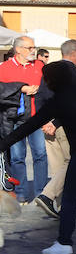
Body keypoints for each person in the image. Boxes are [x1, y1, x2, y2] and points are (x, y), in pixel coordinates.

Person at [0, 61, 76, 254]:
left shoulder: (59, 101)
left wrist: (3, 144)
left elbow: (30, 126)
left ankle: (64, 242)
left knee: (70, 198)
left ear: (52, 80)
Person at [33, 39, 76, 220]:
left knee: (59, 168)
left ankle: (62, 207)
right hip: (63, 125)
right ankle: (48, 196)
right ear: (74, 53)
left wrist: (45, 121)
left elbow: (40, 97)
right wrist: (55, 122)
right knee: (72, 162)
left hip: (48, 125)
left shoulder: (48, 71)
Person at [0, 35, 48, 208]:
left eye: (34, 47)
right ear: (18, 49)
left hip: (37, 118)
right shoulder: (4, 68)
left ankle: (41, 193)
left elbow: (48, 88)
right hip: (16, 120)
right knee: (18, 157)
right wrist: (21, 88)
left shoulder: (40, 66)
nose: (33, 51)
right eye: (30, 48)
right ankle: (20, 194)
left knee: (41, 155)